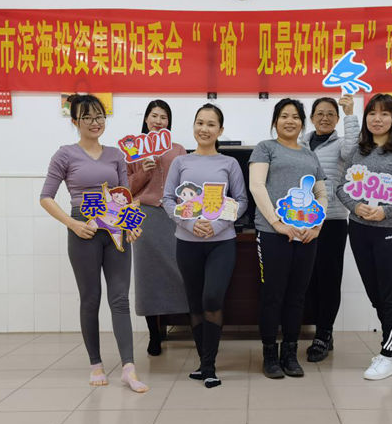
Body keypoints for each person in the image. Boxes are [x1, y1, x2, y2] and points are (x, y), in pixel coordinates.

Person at [39, 94, 147, 392]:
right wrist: (72, 224)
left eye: (99, 116)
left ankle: (128, 367)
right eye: (87, 117)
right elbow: (46, 197)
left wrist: (131, 225)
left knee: (120, 298)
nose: (95, 122)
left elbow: (125, 196)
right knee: (90, 298)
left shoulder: (116, 155)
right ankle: (95, 364)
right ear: (75, 121)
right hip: (83, 231)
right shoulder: (65, 154)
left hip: (115, 232)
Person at [336, 93, 392, 380]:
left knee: (389, 295)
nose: (377, 119)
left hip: (388, 232)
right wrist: (355, 206)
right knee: (375, 293)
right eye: (372, 113)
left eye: (385, 114)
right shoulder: (358, 150)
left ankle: (387, 355)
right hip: (359, 230)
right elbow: (341, 187)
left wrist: (386, 211)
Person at [162, 104, 248, 388]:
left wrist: (218, 225)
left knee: (212, 299)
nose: (204, 129)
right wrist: (189, 224)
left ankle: (209, 365)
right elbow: (168, 200)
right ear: (194, 126)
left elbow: (241, 201)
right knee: (195, 304)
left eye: (211, 124)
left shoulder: (229, 163)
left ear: (220, 130)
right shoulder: (180, 162)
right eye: (200, 122)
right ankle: (204, 364)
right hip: (187, 243)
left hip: (221, 243)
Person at [249, 98, 328, 378]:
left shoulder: (310, 155)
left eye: (295, 117)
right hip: (273, 233)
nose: (290, 121)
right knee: (272, 295)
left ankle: (290, 354)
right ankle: (270, 354)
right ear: (275, 121)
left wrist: (317, 226)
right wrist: (276, 223)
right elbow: (257, 186)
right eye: (284, 116)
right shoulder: (266, 148)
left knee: (297, 296)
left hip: (306, 235)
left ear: (302, 123)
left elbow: (321, 193)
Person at [127, 100, 188, 356]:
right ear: (146, 119)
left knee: (182, 271)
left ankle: (190, 326)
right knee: (147, 277)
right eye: (154, 116)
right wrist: (143, 170)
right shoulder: (132, 149)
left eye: (164, 117)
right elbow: (126, 189)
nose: (158, 121)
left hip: (174, 217)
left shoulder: (178, 149)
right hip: (145, 216)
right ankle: (154, 334)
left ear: (169, 122)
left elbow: (188, 184)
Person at [301, 96, 359, 362]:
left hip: (332, 220)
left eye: (330, 114)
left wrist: (350, 114)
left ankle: (324, 334)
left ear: (336, 119)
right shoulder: (300, 144)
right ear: (312, 118)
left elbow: (353, 151)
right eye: (320, 113)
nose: (324, 118)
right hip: (302, 220)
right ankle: (321, 329)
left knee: (329, 279)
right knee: (308, 279)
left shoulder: (341, 145)